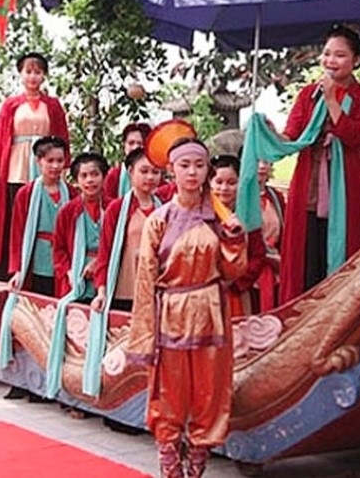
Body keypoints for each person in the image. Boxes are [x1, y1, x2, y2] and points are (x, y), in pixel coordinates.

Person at [126, 136, 247, 478]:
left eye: (198, 165)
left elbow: (233, 272)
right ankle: (169, 463)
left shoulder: (219, 219)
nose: (192, 172)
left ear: (207, 170)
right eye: (184, 165)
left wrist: (235, 239)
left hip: (211, 314)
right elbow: (146, 281)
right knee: (169, 394)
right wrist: (144, 335)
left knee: (210, 394)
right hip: (172, 316)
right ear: (171, 171)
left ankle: (196, 464)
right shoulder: (159, 221)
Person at [279, 25, 360, 302]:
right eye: (326, 54)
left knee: (345, 260)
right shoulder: (307, 94)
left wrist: (332, 99)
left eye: (339, 55)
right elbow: (293, 134)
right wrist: (270, 134)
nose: (330, 61)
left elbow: (352, 135)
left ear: (356, 60)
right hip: (308, 191)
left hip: (346, 192)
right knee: (307, 260)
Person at [0, 52, 70, 281]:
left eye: (37, 72)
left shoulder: (52, 105)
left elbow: (62, 135)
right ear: (21, 74)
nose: (33, 77)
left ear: (43, 76)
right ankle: (9, 268)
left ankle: (42, 267)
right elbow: (1, 138)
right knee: (14, 214)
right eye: (28, 71)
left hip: (44, 162)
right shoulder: (11, 105)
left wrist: (64, 165)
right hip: (16, 164)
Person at [91, 147, 164, 313]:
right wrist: (101, 291)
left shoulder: (165, 208)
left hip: (157, 289)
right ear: (131, 171)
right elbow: (105, 252)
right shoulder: (117, 209)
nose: (150, 177)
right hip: (124, 290)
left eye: (156, 172)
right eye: (144, 171)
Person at [8, 136, 72, 298]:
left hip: (64, 261)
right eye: (50, 160)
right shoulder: (26, 194)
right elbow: (17, 234)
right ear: (39, 161)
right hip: (36, 259)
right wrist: (17, 270)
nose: (55, 166)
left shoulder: (72, 193)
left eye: (60, 160)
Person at [209, 153, 268, 316]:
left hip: (238, 293)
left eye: (231, 183)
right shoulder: (201, 215)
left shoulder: (248, 216)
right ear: (209, 183)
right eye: (218, 182)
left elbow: (258, 255)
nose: (224, 188)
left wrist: (236, 282)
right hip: (206, 292)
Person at [52, 152, 109, 300]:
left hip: (108, 274)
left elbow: (120, 244)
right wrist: (69, 271)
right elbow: (59, 249)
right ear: (76, 181)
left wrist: (98, 262)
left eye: (95, 174)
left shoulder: (114, 208)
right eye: (84, 176)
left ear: (104, 177)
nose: (90, 180)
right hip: (76, 277)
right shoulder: (68, 211)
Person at [257, 159, 285, 311]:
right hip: (252, 272)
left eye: (266, 161)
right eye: (256, 161)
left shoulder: (276, 197)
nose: (261, 166)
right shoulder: (239, 197)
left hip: (276, 268)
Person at [104, 122, 152, 205]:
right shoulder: (115, 175)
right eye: (131, 143)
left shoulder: (154, 174)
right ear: (124, 145)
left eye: (140, 143)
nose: (135, 147)